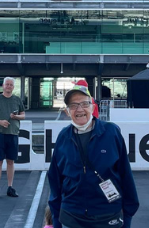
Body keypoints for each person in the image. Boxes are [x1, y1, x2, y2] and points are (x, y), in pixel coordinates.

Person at [48, 82, 139, 228]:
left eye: (84, 104)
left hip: (108, 214)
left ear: (93, 106)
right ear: (67, 111)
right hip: (71, 216)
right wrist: (56, 218)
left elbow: (125, 174)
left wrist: (127, 215)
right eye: (73, 105)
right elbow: (55, 179)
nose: (79, 109)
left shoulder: (111, 132)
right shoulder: (63, 137)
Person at [0, 77, 26, 199]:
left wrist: (16, 117)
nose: (8, 86)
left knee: (11, 161)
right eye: (7, 84)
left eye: (11, 85)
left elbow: (23, 115)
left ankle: (10, 187)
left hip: (13, 133)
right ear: (3, 86)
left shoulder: (17, 100)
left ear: (13, 87)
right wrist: (0, 122)